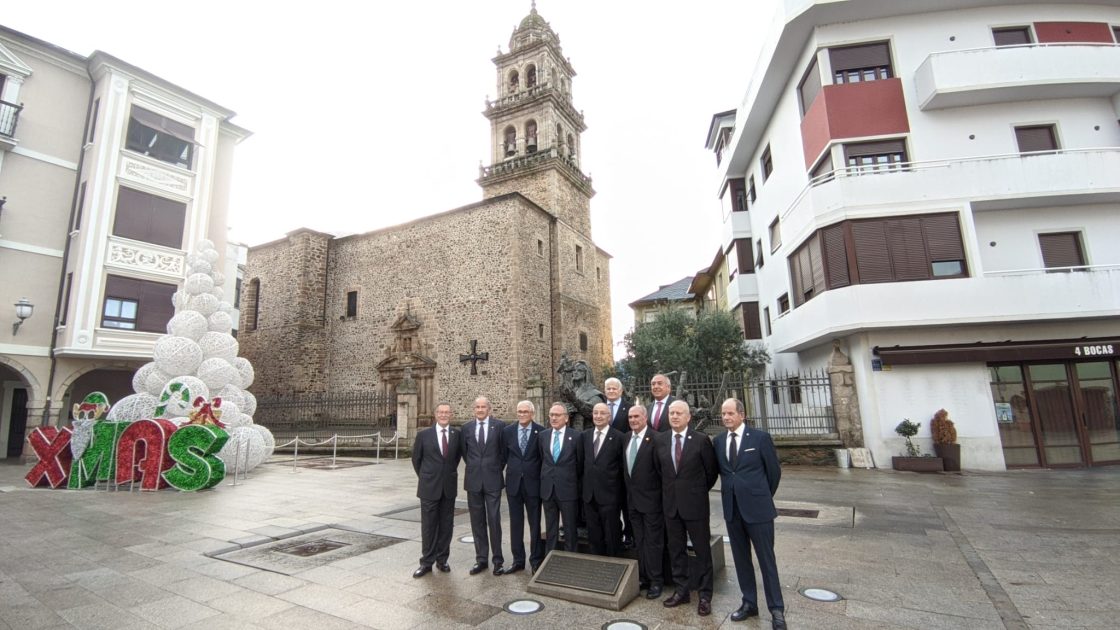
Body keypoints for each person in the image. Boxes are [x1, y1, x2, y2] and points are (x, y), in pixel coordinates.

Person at [714, 398, 786, 629]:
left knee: (766, 560)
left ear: (742, 415)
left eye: (730, 413)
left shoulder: (759, 438)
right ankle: (749, 603)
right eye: (723, 414)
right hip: (732, 510)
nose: (726, 418)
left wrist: (760, 496)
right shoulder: (718, 441)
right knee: (741, 559)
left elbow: (773, 473)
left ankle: (776, 609)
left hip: (758, 510)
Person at [654, 400, 718, 617]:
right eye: (671, 413)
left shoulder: (701, 441)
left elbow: (711, 473)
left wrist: (694, 491)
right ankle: (681, 591)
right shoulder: (661, 440)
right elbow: (659, 471)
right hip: (671, 506)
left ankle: (705, 595)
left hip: (695, 506)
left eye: (679, 413)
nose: (674, 416)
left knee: (702, 551)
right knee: (676, 550)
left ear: (688, 417)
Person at [411, 403, 461, 578]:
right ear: (435, 414)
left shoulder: (457, 435)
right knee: (429, 526)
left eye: (447, 412)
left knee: (446, 525)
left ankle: (442, 559)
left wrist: (445, 474)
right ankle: (426, 562)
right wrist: (427, 477)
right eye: (440, 412)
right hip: (428, 488)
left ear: (451, 414)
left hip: (448, 487)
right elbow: (416, 460)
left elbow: (455, 459)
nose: (444, 415)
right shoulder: (423, 435)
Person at [621, 404, 665, 599]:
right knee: (639, 541)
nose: (633, 420)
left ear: (645, 417)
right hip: (632, 502)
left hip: (652, 501)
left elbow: (661, 472)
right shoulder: (626, 439)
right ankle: (644, 577)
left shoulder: (656, 439)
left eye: (637, 416)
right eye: (630, 417)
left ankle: (657, 580)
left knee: (653, 542)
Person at [462, 396, 505, 575]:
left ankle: (498, 560)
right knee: (477, 521)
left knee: (494, 520)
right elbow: (465, 453)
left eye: (483, 407)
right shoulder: (466, 428)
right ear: (474, 409)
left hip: (493, 479)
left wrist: (494, 468)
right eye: (477, 407)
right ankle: (481, 559)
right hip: (473, 481)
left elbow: (503, 453)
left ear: (489, 409)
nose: (480, 410)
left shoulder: (500, 427)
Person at [500, 400, 544, 574]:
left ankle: (535, 560)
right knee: (515, 523)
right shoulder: (507, 431)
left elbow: (542, 457)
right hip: (514, 484)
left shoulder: (541, 432)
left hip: (534, 484)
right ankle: (518, 560)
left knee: (534, 524)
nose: (522, 414)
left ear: (532, 413)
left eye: (525, 411)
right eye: (519, 411)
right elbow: (504, 456)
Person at [580, 402, 626, 556]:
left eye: (602, 413)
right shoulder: (585, 436)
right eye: (595, 413)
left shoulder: (619, 437)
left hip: (610, 495)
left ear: (609, 416)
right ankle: (597, 566)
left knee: (612, 534)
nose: (598, 416)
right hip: (590, 495)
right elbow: (581, 465)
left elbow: (622, 468)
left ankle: (615, 567)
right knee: (594, 535)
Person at [539, 402, 581, 553]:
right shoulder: (543, 436)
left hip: (568, 490)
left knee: (570, 528)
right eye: (551, 415)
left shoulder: (576, 437)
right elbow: (541, 459)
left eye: (557, 415)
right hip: (548, 490)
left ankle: (570, 560)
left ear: (566, 418)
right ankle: (550, 558)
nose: (554, 418)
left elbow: (580, 464)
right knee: (551, 528)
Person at [604, 377, 635, 548]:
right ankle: (615, 533)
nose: (611, 391)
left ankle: (629, 534)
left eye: (614, 388)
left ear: (621, 391)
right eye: (608, 388)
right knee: (610, 503)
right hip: (605, 464)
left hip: (624, 462)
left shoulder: (629, 408)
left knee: (626, 501)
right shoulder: (600, 408)